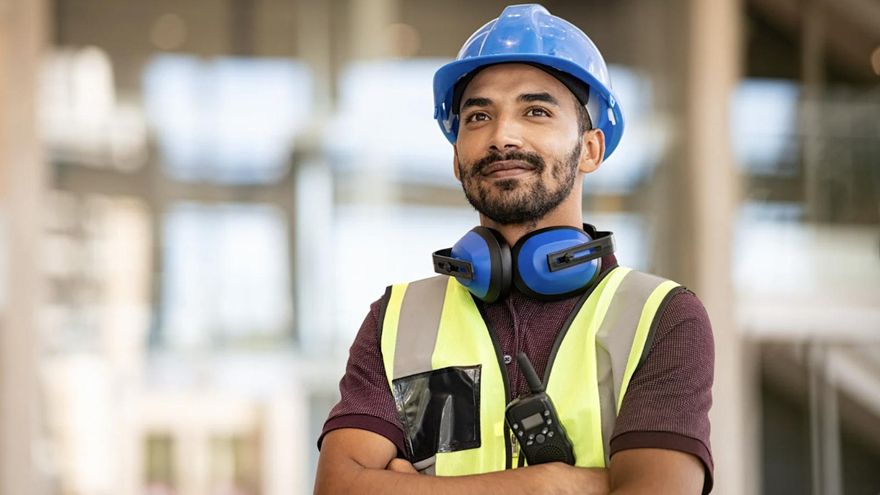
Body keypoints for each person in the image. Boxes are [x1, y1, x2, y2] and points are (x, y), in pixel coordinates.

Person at [315, 4, 714, 494]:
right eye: (479, 116)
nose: (502, 135)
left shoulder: (661, 317)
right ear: (456, 158)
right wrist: (551, 484)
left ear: (590, 148)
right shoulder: (397, 319)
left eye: (536, 111)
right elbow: (338, 487)